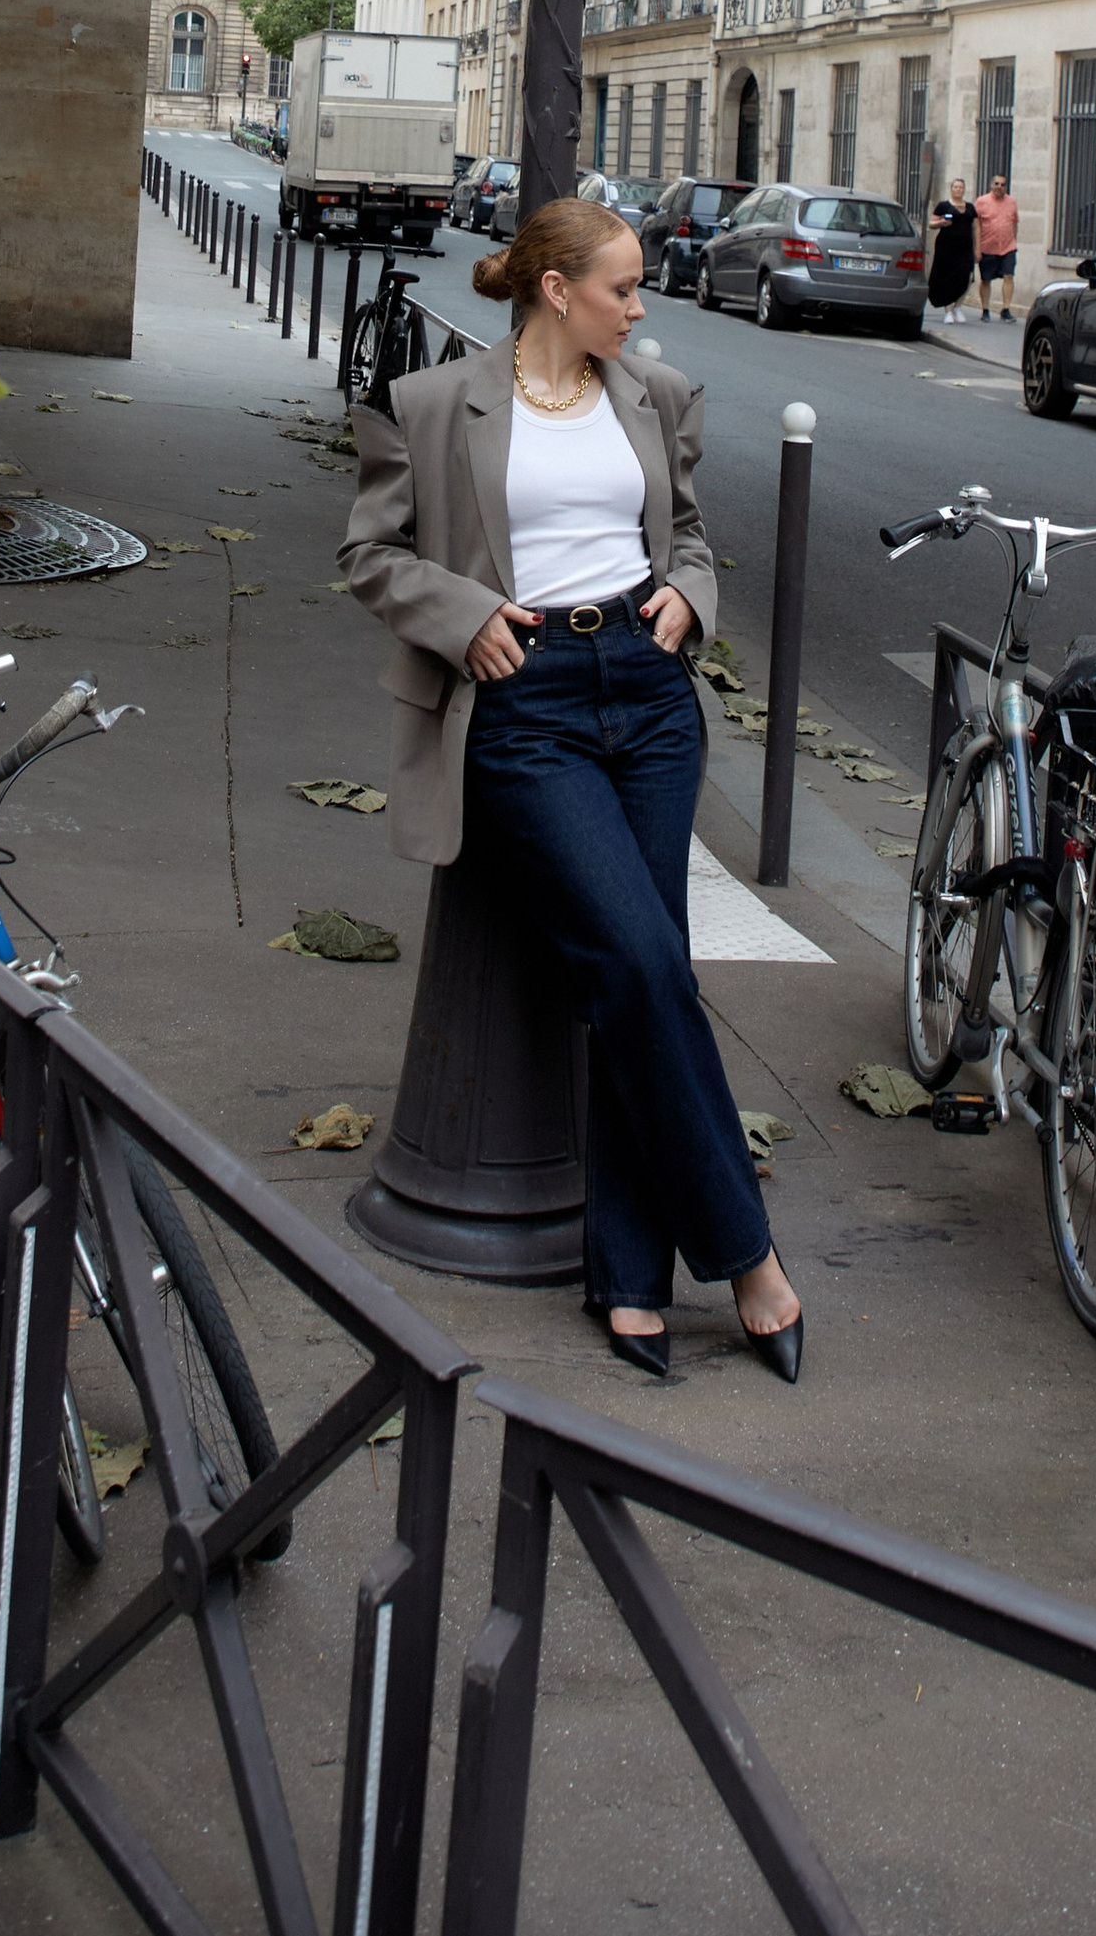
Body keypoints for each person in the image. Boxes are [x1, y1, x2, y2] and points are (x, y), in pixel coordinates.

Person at [340, 197, 805, 1384]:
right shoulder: (437, 406)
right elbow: (370, 554)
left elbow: (685, 531)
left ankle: (632, 1275)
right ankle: (748, 1256)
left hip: (646, 693)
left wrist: (690, 595)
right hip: (525, 703)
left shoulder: (652, 396)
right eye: (622, 288)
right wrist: (463, 616)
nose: (639, 307)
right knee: (643, 966)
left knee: (634, 971)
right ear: (556, 289)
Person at [926, 177, 976, 317]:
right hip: (946, 247)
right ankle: (948, 310)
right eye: (956, 187)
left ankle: (958, 305)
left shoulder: (971, 208)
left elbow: (976, 228)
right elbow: (931, 224)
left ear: (964, 190)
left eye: (961, 187)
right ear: (951, 189)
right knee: (947, 277)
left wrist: (977, 249)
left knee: (968, 277)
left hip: (965, 247)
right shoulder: (943, 206)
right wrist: (942, 222)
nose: (958, 190)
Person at [975, 173, 1021, 317]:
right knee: (986, 279)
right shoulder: (982, 202)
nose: (999, 187)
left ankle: (1006, 308)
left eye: (1003, 184)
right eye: (997, 184)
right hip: (987, 246)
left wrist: (1013, 240)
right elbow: (976, 225)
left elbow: (1014, 222)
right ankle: (985, 309)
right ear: (991, 185)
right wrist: (977, 248)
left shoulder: (1012, 202)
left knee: (1009, 276)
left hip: (1008, 246)